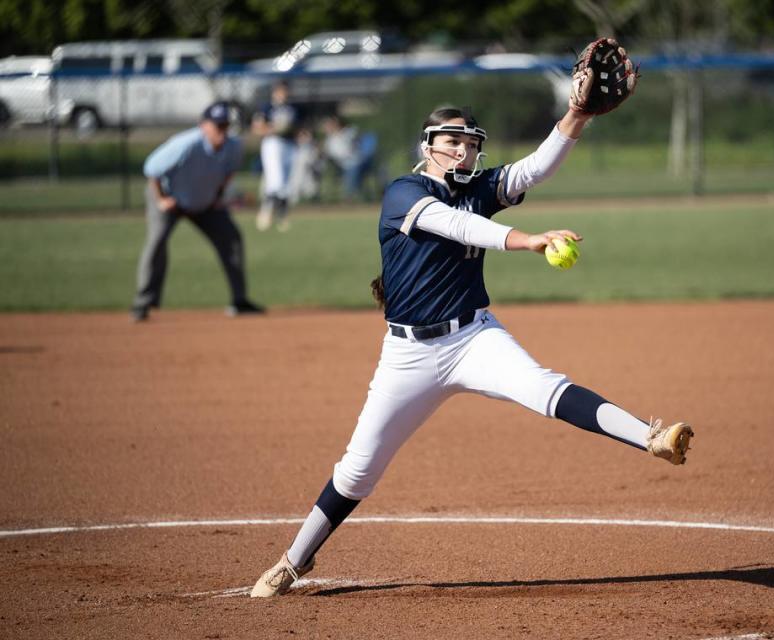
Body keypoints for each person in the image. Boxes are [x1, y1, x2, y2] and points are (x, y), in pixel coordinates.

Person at [251, 76, 694, 598]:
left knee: (545, 388)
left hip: (474, 338)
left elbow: (534, 167)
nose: (463, 148)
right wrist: (528, 240)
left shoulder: (478, 190)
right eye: (452, 140)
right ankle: (293, 560)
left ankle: (650, 437)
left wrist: (578, 114)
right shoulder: (404, 192)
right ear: (428, 147)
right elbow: (459, 227)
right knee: (357, 471)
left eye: (471, 141)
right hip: (408, 355)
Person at [130, 101, 264, 323]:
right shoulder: (186, 144)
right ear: (204, 126)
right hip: (170, 198)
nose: (222, 130)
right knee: (157, 241)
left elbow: (229, 172)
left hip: (204, 203)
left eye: (225, 125)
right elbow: (151, 169)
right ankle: (142, 303)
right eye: (217, 125)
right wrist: (162, 199)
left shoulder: (233, 146)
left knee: (231, 238)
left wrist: (218, 197)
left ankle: (240, 301)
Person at [253, 80, 303, 231]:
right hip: (272, 143)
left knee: (286, 184)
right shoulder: (267, 107)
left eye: (285, 91)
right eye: (280, 91)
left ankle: (281, 216)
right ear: (275, 92)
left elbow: (298, 128)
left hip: (290, 144)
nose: (283, 94)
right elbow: (257, 128)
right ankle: (268, 213)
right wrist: (275, 128)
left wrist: (298, 133)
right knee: (276, 180)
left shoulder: (293, 108)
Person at [319, 114, 381, 201]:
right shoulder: (329, 141)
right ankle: (352, 196)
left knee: (377, 168)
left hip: (358, 161)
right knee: (352, 168)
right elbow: (328, 154)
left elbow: (358, 136)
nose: (326, 128)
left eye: (329, 125)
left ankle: (382, 192)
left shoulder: (348, 132)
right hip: (342, 165)